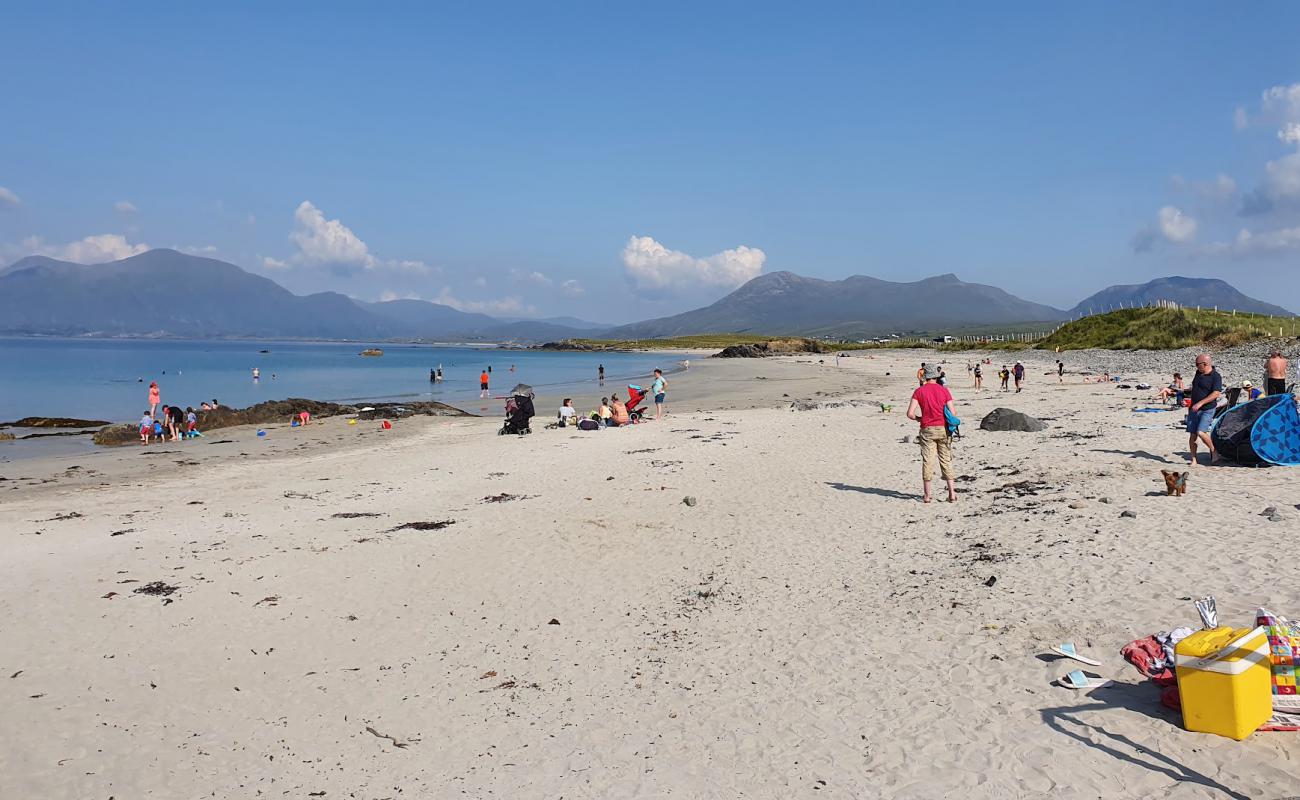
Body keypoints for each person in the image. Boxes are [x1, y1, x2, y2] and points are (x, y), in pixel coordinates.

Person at [906, 364, 957, 503]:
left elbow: (910, 414)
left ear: (925, 376)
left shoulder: (919, 391)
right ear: (936, 375)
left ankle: (927, 496)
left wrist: (920, 419)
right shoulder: (944, 391)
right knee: (946, 460)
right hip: (943, 428)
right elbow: (953, 413)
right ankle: (952, 493)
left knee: (928, 461)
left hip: (927, 428)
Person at [1187, 353, 1222, 468]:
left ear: (1205, 364)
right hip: (1193, 409)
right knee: (1193, 435)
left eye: (1198, 364)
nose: (1196, 367)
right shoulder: (1198, 373)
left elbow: (1216, 393)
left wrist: (1200, 403)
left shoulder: (1216, 376)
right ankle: (1194, 459)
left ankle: (1214, 451)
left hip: (1207, 409)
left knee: (1201, 432)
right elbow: (1196, 389)